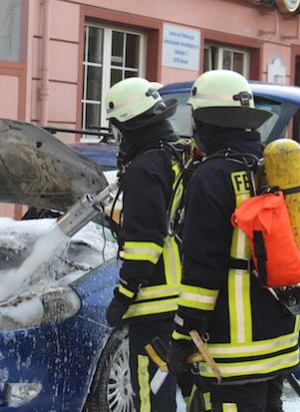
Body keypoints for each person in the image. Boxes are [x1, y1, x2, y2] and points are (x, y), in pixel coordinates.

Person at [167, 70, 300, 412]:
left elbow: (202, 270)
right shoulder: (278, 168)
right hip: (280, 339)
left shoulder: (212, 176)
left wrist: (183, 337)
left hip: (233, 351)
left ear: (207, 122)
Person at [104, 77, 185, 411]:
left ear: (128, 125)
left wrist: (123, 296)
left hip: (156, 305)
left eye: (116, 129)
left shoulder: (145, 167)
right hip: (184, 300)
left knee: (151, 397)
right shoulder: (176, 155)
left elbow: (145, 243)